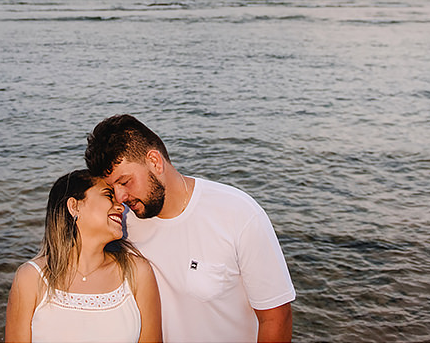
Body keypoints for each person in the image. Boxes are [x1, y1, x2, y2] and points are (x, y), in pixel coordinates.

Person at [85, 114, 295, 343]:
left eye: (124, 182)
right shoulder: (119, 225)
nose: (120, 197)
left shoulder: (238, 213)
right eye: (111, 188)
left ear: (155, 162)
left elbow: (276, 317)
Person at [5, 169, 162, 343]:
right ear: (74, 206)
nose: (121, 206)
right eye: (108, 196)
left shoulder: (137, 272)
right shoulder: (31, 278)